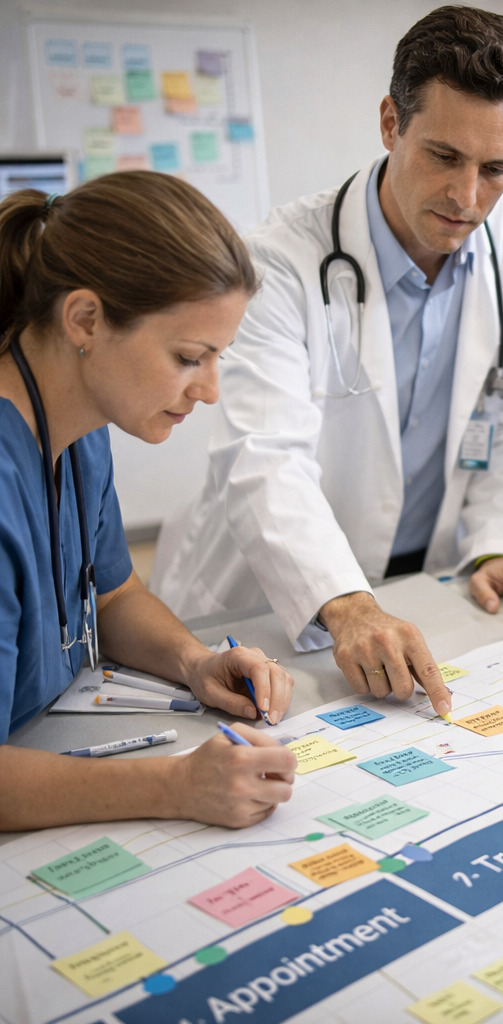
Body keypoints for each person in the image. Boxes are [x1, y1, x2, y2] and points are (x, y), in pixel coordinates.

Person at [152, 5, 503, 718]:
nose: (467, 196)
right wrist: (344, 601)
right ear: (391, 123)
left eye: (497, 169)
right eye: (445, 156)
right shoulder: (280, 259)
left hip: (427, 588)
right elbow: (265, 457)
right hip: (273, 603)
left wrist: (502, 544)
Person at [0, 171, 297, 831]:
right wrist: (175, 787)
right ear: (85, 320)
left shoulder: (78, 433)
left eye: (218, 357)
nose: (210, 390)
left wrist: (194, 662)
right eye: (190, 357)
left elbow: (111, 595)